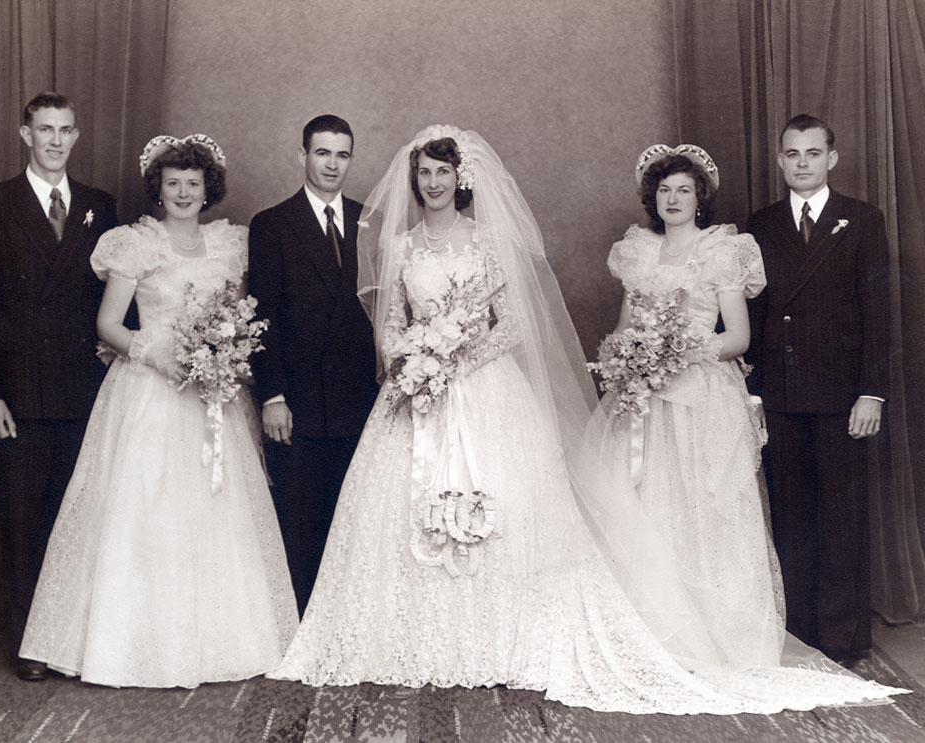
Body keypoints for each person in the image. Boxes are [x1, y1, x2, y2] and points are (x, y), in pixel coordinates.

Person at [270, 125, 903, 713]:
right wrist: (418, 359)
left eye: (443, 172)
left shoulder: (490, 241)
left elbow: (511, 323)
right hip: (419, 390)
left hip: (489, 384)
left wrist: (460, 356)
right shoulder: (401, 245)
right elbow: (390, 326)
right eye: (426, 173)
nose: (434, 182)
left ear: (462, 179)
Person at [19, 135, 298, 688]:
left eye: (193, 184)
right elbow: (108, 325)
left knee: (216, 511)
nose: (183, 193)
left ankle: (218, 643)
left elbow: (235, 315)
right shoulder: (134, 245)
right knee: (137, 511)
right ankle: (125, 645)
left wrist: (222, 355)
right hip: (148, 389)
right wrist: (162, 356)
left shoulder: (231, 246)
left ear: (208, 189)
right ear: (158, 189)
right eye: (173, 184)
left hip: (211, 395)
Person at [597, 145, 781, 667]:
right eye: (664, 190)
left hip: (703, 396)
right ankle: (654, 632)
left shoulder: (721, 250)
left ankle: (720, 632)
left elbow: (739, 337)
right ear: (651, 198)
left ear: (700, 197)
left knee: (707, 508)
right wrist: (627, 358)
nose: (673, 198)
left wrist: (678, 352)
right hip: (644, 398)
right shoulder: (637, 252)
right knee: (648, 506)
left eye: (684, 189)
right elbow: (623, 330)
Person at [0, 92, 118, 682]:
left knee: (74, 516)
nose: (56, 140)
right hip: (20, 396)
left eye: (66, 131)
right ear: (25, 135)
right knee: (23, 519)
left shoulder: (101, 206)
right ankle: (29, 642)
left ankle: (70, 636)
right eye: (45, 130)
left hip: (84, 393)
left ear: (76, 137)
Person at [745, 114, 891, 667]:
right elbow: (753, 314)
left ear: (832, 158)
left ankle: (843, 637)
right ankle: (800, 633)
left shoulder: (861, 219)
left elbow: (878, 310)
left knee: (842, 516)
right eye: (791, 153)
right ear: (780, 160)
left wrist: (871, 392)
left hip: (842, 398)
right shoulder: (760, 225)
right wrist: (753, 390)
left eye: (812, 152)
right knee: (792, 515)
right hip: (780, 394)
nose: (801, 162)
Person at [248, 115, 378, 616]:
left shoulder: (371, 222)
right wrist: (273, 396)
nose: (331, 164)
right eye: (322, 153)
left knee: (350, 517)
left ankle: (342, 626)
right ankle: (299, 630)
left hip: (357, 400)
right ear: (301, 155)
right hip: (297, 402)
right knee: (300, 520)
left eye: (342, 154)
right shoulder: (272, 224)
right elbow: (262, 315)